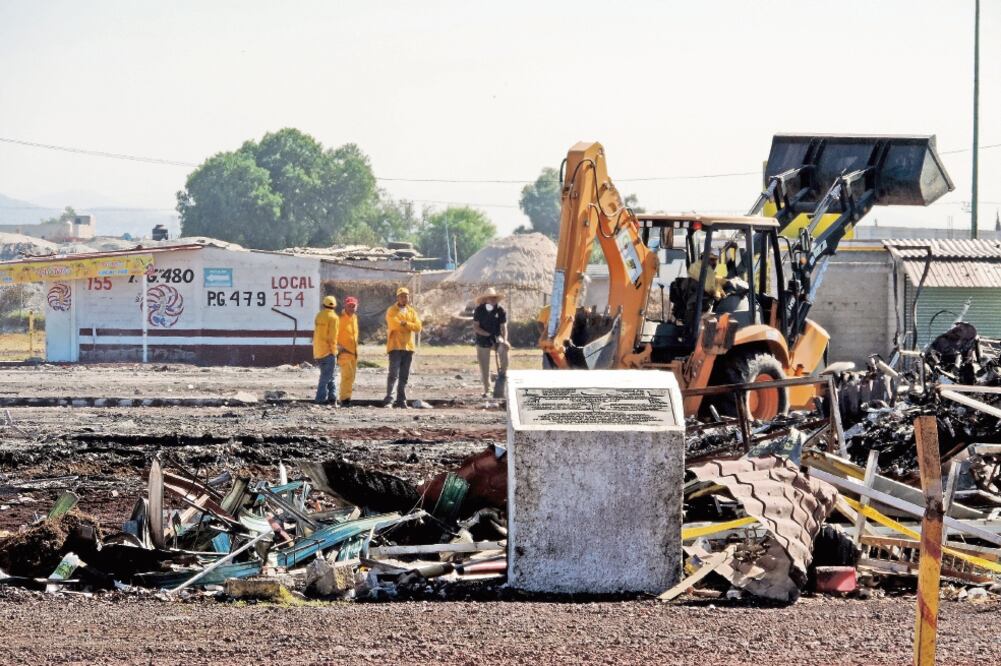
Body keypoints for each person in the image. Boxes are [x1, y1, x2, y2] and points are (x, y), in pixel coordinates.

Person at [384, 286, 422, 408]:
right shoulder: (391, 310)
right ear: (397, 298)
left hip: (408, 347)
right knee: (393, 374)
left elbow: (418, 327)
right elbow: (394, 325)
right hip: (395, 346)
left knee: (404, 375)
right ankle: (389, 399)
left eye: (405, 296)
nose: (404, 298)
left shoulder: (412, 311)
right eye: (401, 296)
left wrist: (405, 323)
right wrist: (407, 325)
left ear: (408, 297)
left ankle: (401, 400)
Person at [472, 287, 509, 397]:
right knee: (484, 366)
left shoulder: (500, 310)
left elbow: (504, 327)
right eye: (490, 298)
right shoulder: (479, 310)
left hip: (497, 338)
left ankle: (502, 375)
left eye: (494, 298)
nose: (492, 300)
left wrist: (505, 340)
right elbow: (476, 327)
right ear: (485, 299)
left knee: (504, 350)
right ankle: (487, 390)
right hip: (483, 339)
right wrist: (487, 334)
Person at [312, 295, 340, 405]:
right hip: (328, 352)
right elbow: (332, 338)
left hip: (318, 351)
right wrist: (334, 352)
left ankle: (333, 398)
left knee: (330, 375)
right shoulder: (334, 318)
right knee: (325, 377)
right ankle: (320, 399)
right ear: (335, 306)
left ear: (324, 304)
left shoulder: (319, 315)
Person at [337, 296, 360, 406]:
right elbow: (332, 334)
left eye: (353, 306)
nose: (352, 308)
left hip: (353, 353)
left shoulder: (354, 318)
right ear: (345, 306)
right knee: (347, 376)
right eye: (349, 305)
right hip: (344, 353)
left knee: (351, 377)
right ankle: (344, 399)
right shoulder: (340, 319)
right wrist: (337, 346)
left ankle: (347, 397)